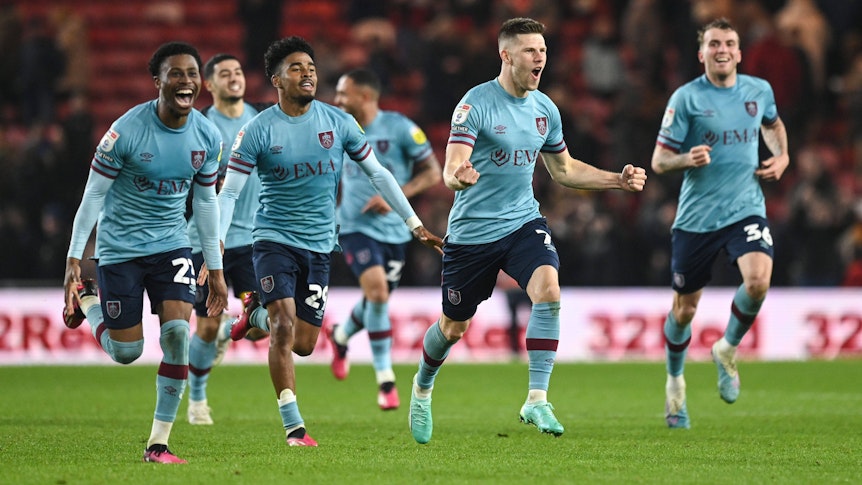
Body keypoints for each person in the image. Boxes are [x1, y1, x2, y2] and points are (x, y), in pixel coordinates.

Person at [407, 17, 647, 445]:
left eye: (543, 51)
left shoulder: (545, 109)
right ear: (506, 55)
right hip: (472, 234)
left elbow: (564, 169)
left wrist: (617, 179)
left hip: (522, 223)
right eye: (530, 51)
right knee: (452, 329)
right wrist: (460, 176)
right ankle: (422, 387)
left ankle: (536, 398)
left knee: (549, 290)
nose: (540, 59)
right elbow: (450, 170)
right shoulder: (474, 104)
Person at [218, 36, 443, 447]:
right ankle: (294, 427)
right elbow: (230, 192)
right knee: (283, 328)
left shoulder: (338, 122)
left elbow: (379, 174)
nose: (307, 74)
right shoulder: (258, 130)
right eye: (296, 68)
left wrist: (414, 223)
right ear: (276, 80)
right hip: (272, 238)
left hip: (320, 244)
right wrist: (215, 242)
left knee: (303, 344)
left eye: (311, 67)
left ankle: (253, 315)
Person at [62, 41, 228, 463]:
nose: (186, 81)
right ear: (158, 81)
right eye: (176, 73)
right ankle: (89, 299)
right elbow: (93, 197)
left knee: (177, 336)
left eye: (192, 73)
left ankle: (158, 444)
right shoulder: (125, 132)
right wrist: (74, 259)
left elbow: (206, 202)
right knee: (126, 353)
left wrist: (215, 264)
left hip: (172, 245)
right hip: (119, 250)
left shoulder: (208, 136)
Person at [651, 18, 789, 429]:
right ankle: (675, 385)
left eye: (729, 42)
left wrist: (781, 157)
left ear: (739, 52)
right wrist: (684, 159)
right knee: (683, 311)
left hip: (745, 209)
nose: (722, 49)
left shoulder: (758, 90)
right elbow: (659, 161)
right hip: (696, 220)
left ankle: (726, 349)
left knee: (759, 280)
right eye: (714, 43)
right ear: (702, 53)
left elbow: (774, 125)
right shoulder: (687, 98)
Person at [326, 68, 442, 411]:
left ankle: (342, 334)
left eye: (343, 94)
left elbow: (433, 173)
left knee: (375, 301)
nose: (337, 101)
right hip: (352, 226)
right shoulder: (338, 128)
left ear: (364, 95)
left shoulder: (401, 128)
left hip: (395, 232)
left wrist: (396, 196)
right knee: (377, 292)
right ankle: (386, 380)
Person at [185, 53, 270, 426]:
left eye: (238, 71)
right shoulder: (199, 124)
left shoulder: (263, 121)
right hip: (206, 240)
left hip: (254, 239)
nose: (234, 78)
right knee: (204, 327)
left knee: (253, 329)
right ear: (209, 84)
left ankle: (228, 329)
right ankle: (198, 399)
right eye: (224, 74)